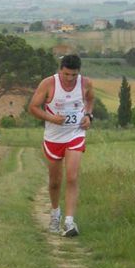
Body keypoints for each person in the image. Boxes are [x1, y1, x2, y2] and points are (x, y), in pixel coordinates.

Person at [28, 54, 94, 237]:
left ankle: (70, 221)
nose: (70, 78)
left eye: (74, 75)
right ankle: (56, 213)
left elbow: (90, 100)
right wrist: (52, 118)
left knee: (72, 176)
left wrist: (88, 116)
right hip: (53, 138)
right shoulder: (48, 84)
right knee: (55, 182)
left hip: (75, 134)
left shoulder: (85, 83)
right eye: (66, 74)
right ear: (60, 70)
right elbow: (32, 107)